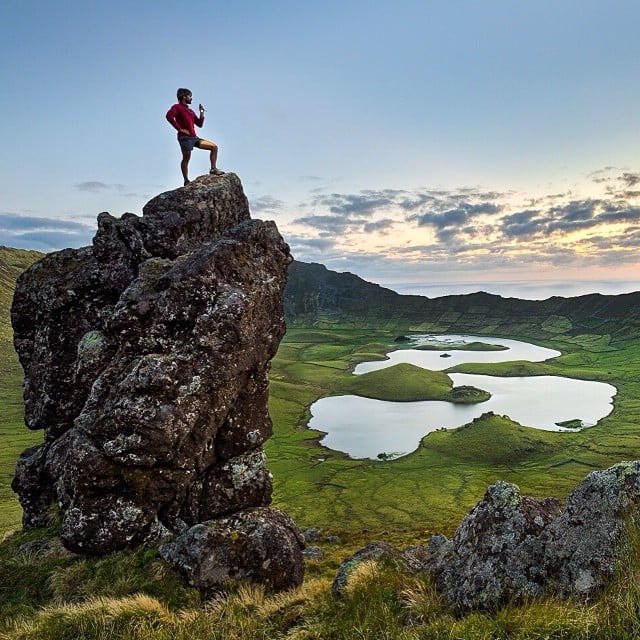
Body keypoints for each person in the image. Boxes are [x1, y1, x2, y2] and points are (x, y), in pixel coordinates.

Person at [166, 88, 224, 185]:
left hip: (194, 138)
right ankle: (186, 180)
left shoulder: (190, 111)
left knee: (214, 147)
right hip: (184, 138)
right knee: (186, 158)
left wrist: (201, 113)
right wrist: (180, 129)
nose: (191, 98)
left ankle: (213, 169)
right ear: (184, 96)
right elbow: (169, 116)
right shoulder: (177, 107)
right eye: (190, 96)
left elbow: (199, 124)